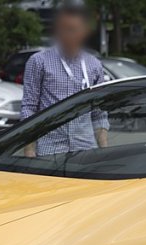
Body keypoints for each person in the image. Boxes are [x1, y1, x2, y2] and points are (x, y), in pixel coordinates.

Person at [21, 0, 108, 157]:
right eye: (65, 29)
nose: (70, 35)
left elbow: (99, 112)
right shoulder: (38, 61)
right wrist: (29, 151)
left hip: (86, 147)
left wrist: (105, 153)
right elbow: (29, 108)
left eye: (75, 30)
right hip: (50, 148)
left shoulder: (94, 64)